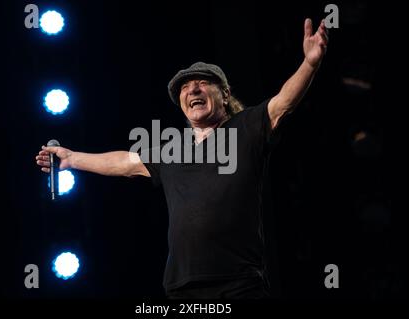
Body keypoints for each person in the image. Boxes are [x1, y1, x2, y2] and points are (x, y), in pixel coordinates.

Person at [35, 18, 329, 299]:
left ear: (224, 94)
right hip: (182, 287)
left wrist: (309, 63)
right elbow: (125, 162)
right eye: (185, 89)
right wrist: (71, 159)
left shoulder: (247, 128)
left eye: (202, 83)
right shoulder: (171, 149)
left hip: (239, 284)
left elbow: (283, 103)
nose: (193, 90)